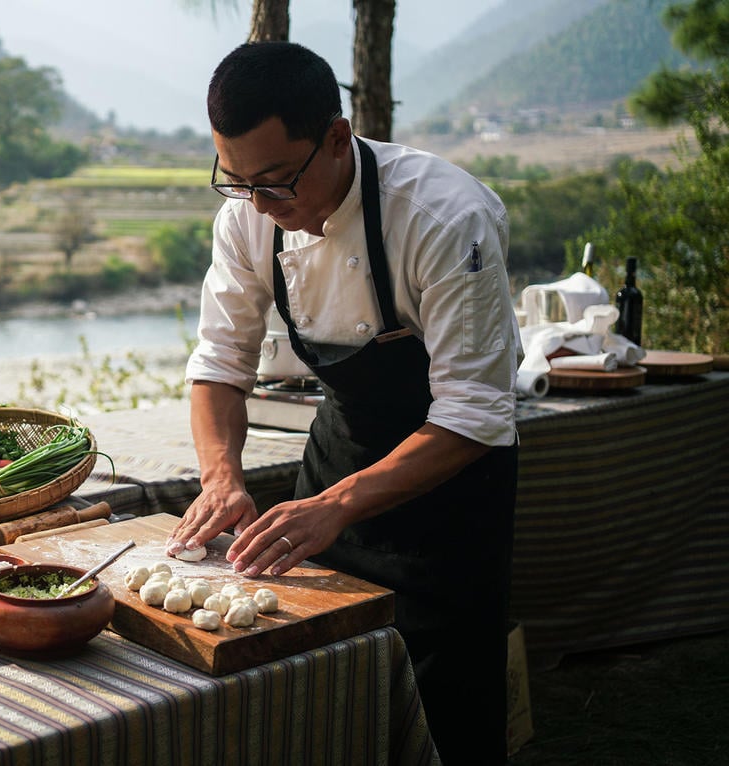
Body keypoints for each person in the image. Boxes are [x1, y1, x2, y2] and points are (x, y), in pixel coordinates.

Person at [166, 41, 522, 765]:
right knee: (318, 692)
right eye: (235, 181)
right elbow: (219, 364)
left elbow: (474, 414)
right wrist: (220, 476)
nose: (260, 204)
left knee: (446, 708)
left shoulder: (442, 219)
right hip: (338, 457)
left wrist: (337, 506)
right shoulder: (249, 215)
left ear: (336, 136)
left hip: (449, 491)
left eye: (276, 182)